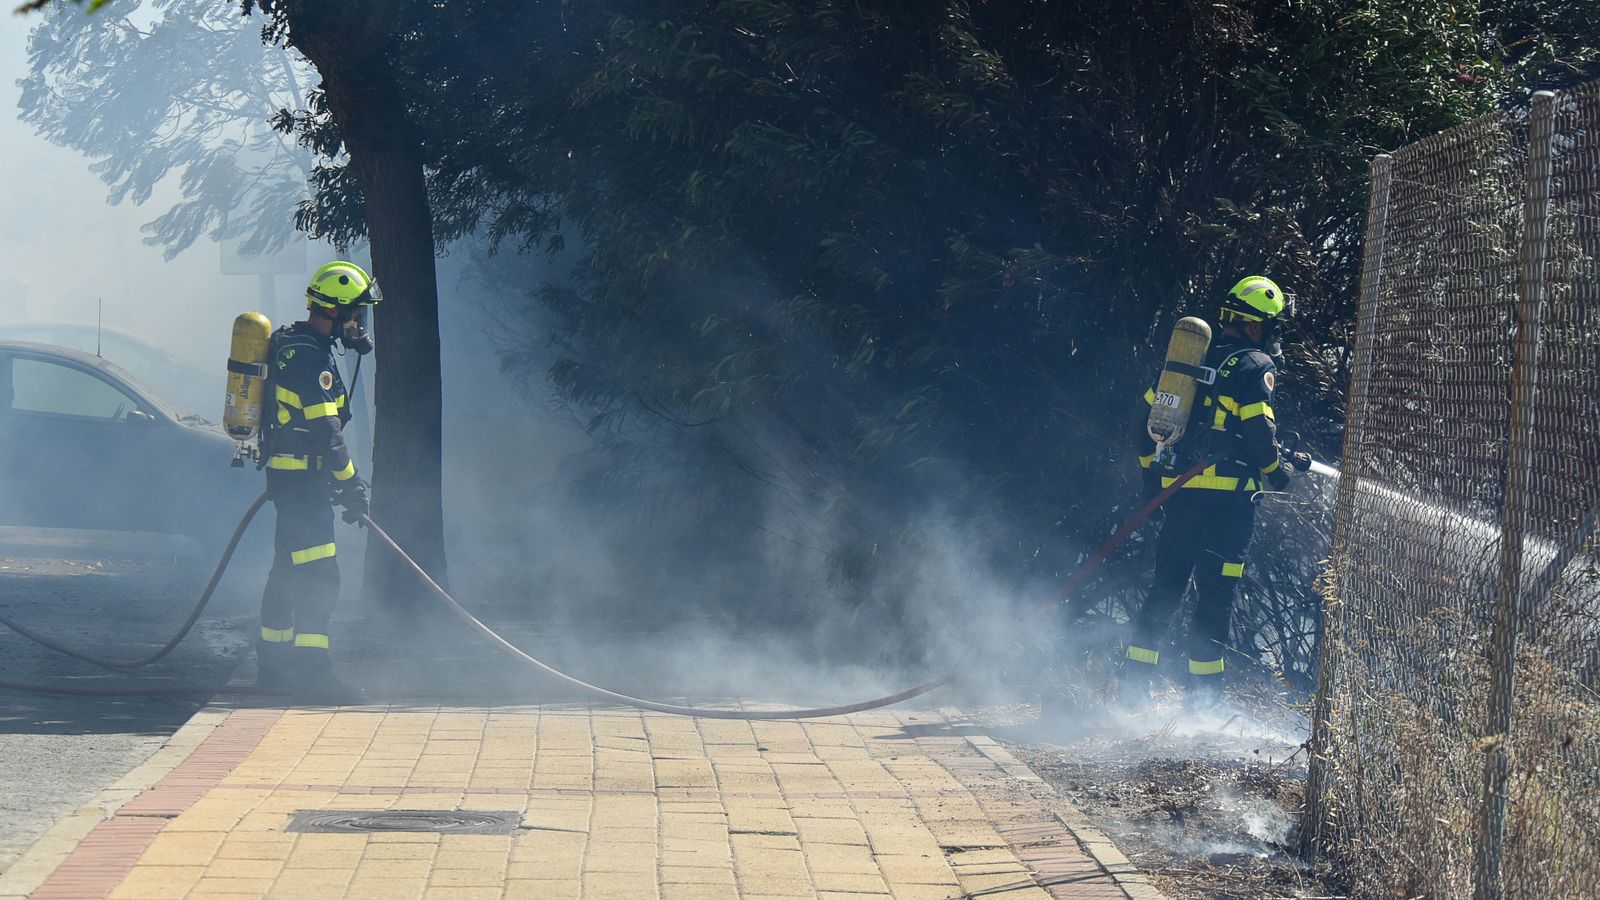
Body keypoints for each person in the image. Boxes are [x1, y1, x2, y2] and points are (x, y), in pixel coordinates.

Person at [1122, 275, 1300, 705]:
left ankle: (1132, 692)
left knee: (1165, 588)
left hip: (1180, 500)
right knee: (1214, 600)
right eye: (1273, 326)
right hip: (1228, 508)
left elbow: (1142, 426)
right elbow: (1259, 435)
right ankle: (1202, 703)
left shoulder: (1189, 363)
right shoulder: (1256, 367)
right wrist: (1279, 472)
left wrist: (1153, 479)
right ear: (1257, 326)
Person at [254, 260, 378, 705]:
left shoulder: (292, 345)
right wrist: (352, 485)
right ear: (337, 311)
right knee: (322, 574)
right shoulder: (313, 359)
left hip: (291, 481)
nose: (360, 324)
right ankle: (312, 673)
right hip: (305, 486)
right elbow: (328, 435)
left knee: (287, 570)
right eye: (357, 314)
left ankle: (273, 664)